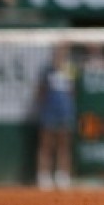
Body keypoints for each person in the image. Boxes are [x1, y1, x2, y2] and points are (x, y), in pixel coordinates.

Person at [35, 43, 76, 190]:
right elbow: (40, 91)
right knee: (46, 144)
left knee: (64, 144)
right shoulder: (46, 70)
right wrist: (42, 108)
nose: (60, 55)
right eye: (57, 52)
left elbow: (73, 91)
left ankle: (63, 175)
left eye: (63, 52)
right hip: (49, 111)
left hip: (65, 112)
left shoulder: (70, 69)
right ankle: (43, 175)